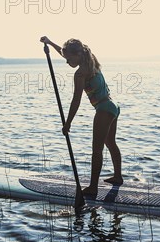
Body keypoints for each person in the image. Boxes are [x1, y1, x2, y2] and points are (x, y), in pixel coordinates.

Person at [40, 36, 122, 197]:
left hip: (103, 109)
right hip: (113, 106)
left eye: (69, 58)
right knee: (110, 143)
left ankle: (93, 187)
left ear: (77, 55)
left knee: (96, 150)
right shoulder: (91, 60)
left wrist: (68, 123)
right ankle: (118, 176)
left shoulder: (80, 74)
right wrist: (50, 43)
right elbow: (66, 54)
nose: (66, 61)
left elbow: (76, 100)